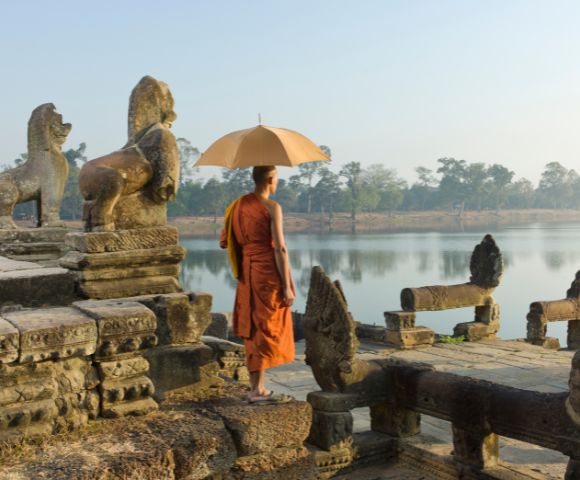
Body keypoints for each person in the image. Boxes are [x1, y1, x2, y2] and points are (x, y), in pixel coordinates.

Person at [220, 166, 295, 403]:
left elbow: (225, 241)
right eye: (277, 179)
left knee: (253, 326)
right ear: (271, 179)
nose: (277, 183)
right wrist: (286, 286)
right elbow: (280, 248)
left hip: (247, 273)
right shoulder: (272, 207)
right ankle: (257, 389)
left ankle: (257, 386)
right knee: (266, 326)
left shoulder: (237, 206)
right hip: (267, 272)